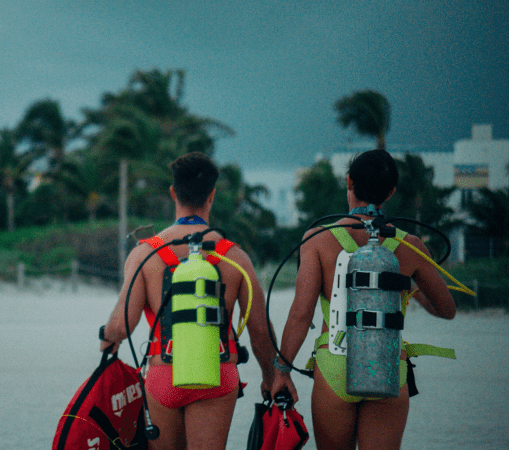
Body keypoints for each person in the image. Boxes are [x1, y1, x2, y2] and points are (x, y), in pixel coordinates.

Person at [270, 149, 457, 450]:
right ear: (391, 191)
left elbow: (300, 315)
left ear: (349, 182)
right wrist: (406, 285)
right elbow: (447, 310)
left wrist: (281, 371)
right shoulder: (411, 245)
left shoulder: (318, 239)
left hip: (334, 368)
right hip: (389, 367)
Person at [100, 152, 276, 450]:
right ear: (212, 194)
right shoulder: (234, 256)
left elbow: (122, 326)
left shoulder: (145, 254)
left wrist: (108, 336)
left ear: (173, 192)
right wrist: (272, 377)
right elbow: (260, 331)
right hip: (217, 376)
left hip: (163, 374)